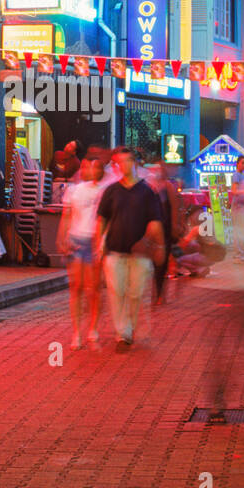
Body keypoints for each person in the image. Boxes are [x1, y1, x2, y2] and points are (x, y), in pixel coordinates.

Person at [96, 147, 164, 351]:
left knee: (135, 293)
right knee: (117, 292)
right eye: (119, 163)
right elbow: (102, 219)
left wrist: (157, 245)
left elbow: (155, 221)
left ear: (134, 163)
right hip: (115, 251)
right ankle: (122, 333)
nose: (123, 166)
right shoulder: (111, 191)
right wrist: (98, 244)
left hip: (140, 252)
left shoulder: (147, 191)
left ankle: (130, 327)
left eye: (127, 162)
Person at [57, 157, 109, 350]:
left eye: (95, 167)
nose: (90, 170)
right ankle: (77, 332)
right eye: (87, 166)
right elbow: (66, 215)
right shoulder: (74, 191)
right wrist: (62, 237)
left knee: (93, 289)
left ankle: (93, 329)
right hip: (77, 239)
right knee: (76, 287)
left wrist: (102, 243)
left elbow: (107, 220)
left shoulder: (104, 191)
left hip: (93, 241)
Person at [146, 157, 185, 307]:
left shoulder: (168, 186)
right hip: (151, 230)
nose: (156, 172)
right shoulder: (149, 186)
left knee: (161, 263)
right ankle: (156, 293)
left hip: (165, 229)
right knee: (154, 262)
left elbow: (174, 207)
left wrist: (176, 226)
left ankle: (159, 293)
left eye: (159, 169)